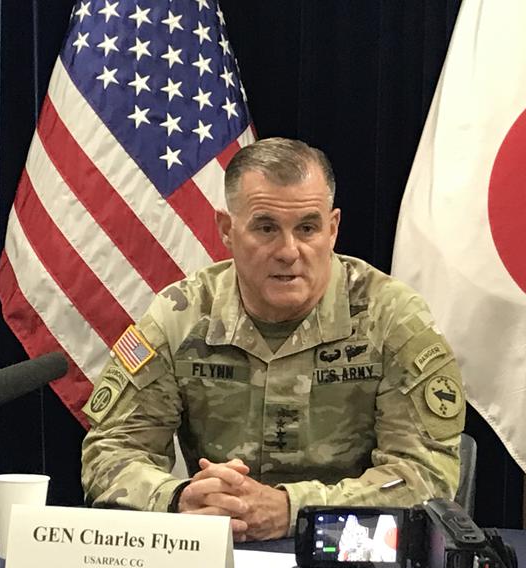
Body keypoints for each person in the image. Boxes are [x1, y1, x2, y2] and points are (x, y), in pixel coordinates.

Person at [80, 137, 465, 541]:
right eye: (266, 228)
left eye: (308, 228)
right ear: (227, 230)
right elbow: (110, 450)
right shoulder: (181, 314)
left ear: (333, 229)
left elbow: (426, 475)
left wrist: (291, 509)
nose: (288, 250)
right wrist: (178, 499)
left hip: (347, 548)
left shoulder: (392, 317)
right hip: (222, 545)